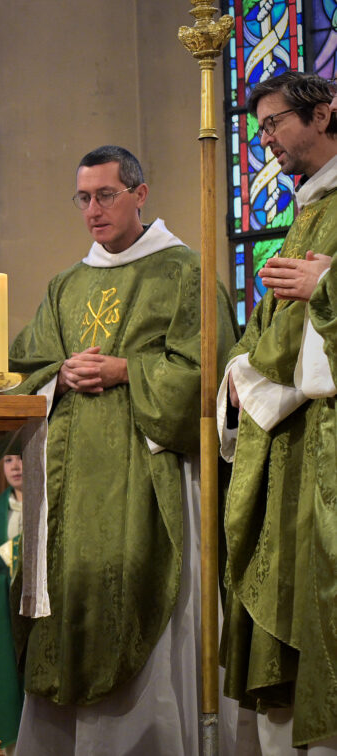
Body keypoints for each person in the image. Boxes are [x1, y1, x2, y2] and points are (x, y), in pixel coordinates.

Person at [8, 145, 239, 754]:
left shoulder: (186, 274)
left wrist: (125, 370)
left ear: (140, 194)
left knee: (146, 606)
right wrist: (60, 375)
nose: (93, 210)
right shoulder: (65, 285)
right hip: (71, 491)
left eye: (106, 195)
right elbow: (24, 369)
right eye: (83, 198)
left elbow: (210, 378)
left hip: (151, 481)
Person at [220, 70, 337, 753]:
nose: (265, 140)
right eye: (260, 128)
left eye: (274, 123)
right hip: (291, 445)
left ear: (322, 115)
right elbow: (271, 325)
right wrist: (238, 374)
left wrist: (328, 284)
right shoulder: (308, 211)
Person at [0, 433, 24, 755]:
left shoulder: (48, 504)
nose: (16, 467)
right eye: (9, 460)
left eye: (21, 458)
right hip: (6, 609)